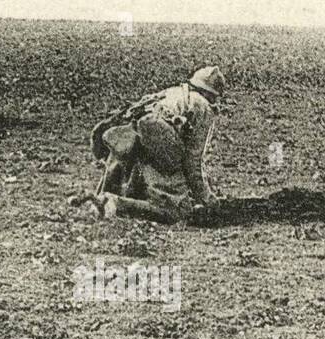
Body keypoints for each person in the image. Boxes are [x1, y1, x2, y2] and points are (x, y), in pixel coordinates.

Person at [70, 66, 225, 224]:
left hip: (129, 136)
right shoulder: (202, 106)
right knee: (177, 209)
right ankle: (115, 204)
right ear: (211, 94)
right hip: (158, 140)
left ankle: (96, 202)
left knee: (133, 190)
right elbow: (193, 160)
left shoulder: (171, 93)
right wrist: (206, 197)